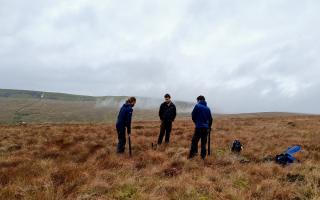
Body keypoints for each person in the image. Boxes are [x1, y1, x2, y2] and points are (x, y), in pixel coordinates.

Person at [188, 95, 213, 160]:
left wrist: (196, 122)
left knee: (194, 142)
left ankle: (192, 156)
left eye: (197, 101)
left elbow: (193, 116)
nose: (197, 102)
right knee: (203, 143)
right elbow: (210, 119)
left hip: (199, 127)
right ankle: (203, 157)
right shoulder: (208, 108)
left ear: (199, 100)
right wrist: (209, 127)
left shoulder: (197, 106)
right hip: (206, 128)